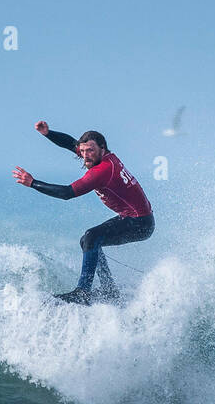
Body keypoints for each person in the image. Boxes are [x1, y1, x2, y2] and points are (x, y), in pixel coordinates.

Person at [13, 122, 154, 304]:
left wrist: (32, 182)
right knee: (89, 241)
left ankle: (82, 293)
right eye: (83, 151)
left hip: (140, 223)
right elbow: (71, 143)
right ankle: (109, 289)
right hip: (134, 217)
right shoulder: (99, 156)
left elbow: (67, 193)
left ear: (102, 149)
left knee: (91, 237)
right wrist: (48, 133)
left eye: (90, 151)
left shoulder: (103, 170)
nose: (85, 155)